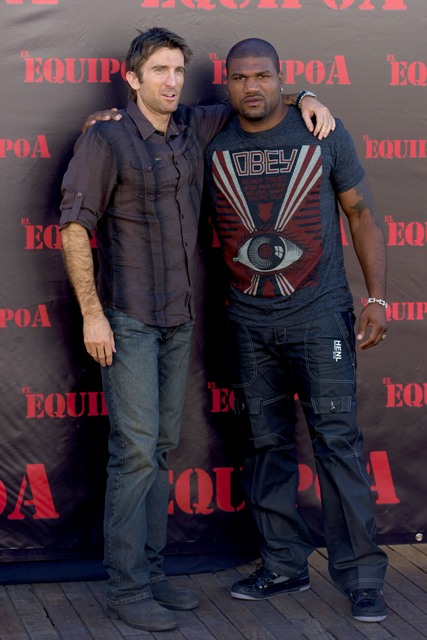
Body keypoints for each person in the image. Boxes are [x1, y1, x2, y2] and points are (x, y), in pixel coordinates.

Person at [59, 27, 335, 633]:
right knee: (134, 453)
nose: (171, 81)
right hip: (127, 319)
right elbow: (75, 227)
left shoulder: (193, 126)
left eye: (178, 71)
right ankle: (128, 588)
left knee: (159, 449)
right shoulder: (106, 138)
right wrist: (92, 314)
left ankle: (153, 573)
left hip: (178, 319)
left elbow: (254, 96)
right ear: (132, 78)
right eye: (159, 70)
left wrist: (307, 96)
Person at [203, 38, 389, 623]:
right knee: (266, 447)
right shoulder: (209, 136)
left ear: (282, 79)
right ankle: (283, 566)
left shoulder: (322, 130)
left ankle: (362, 578)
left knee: (338, 444)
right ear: (226, 83)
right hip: (248, 322)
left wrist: (376, 297)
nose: (251, 86)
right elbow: (151, 122)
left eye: (262, 76)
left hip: (320, 316)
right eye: (239, 78)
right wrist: (105, 119)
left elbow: (360, 212)